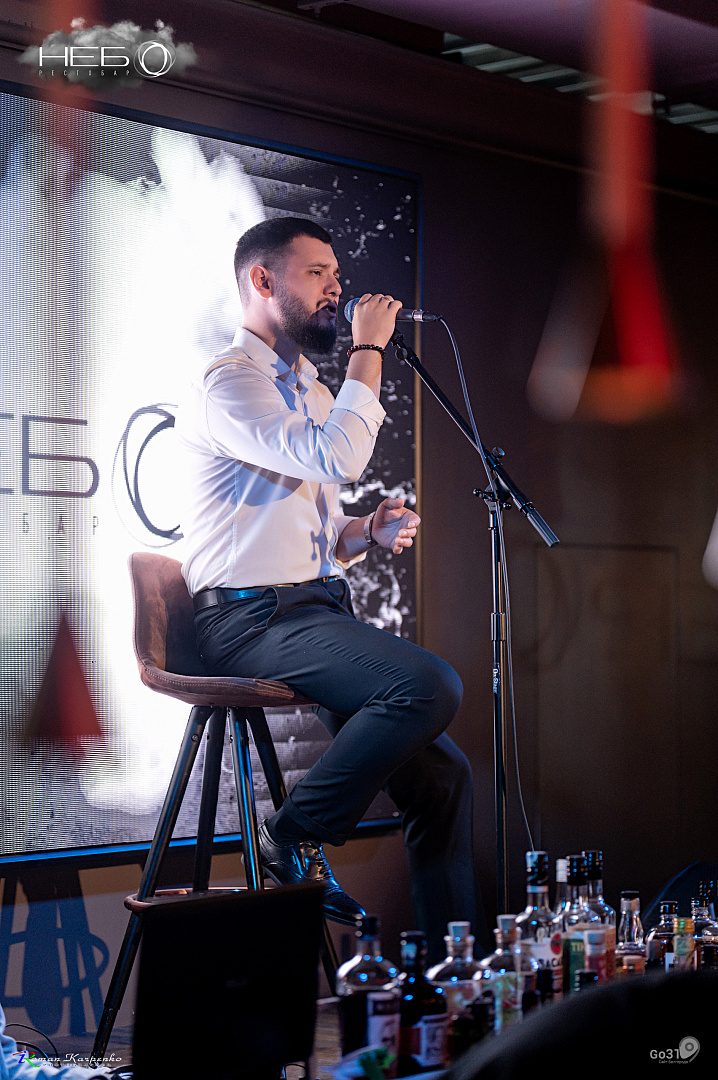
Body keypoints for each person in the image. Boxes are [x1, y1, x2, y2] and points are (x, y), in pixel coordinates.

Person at [176, 216, 483, 962]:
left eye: (337, 275)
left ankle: (454, 979)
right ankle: (291, 833)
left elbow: (308, 522)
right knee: (428, 685)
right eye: (317, 273)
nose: (337, 290)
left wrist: (363, 532)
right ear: (262, 281)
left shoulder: (308, 388)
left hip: (306, 608)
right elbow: (338, 456)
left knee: (444, 778)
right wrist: (369, 349)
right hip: (245, 621)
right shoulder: (230, 382)